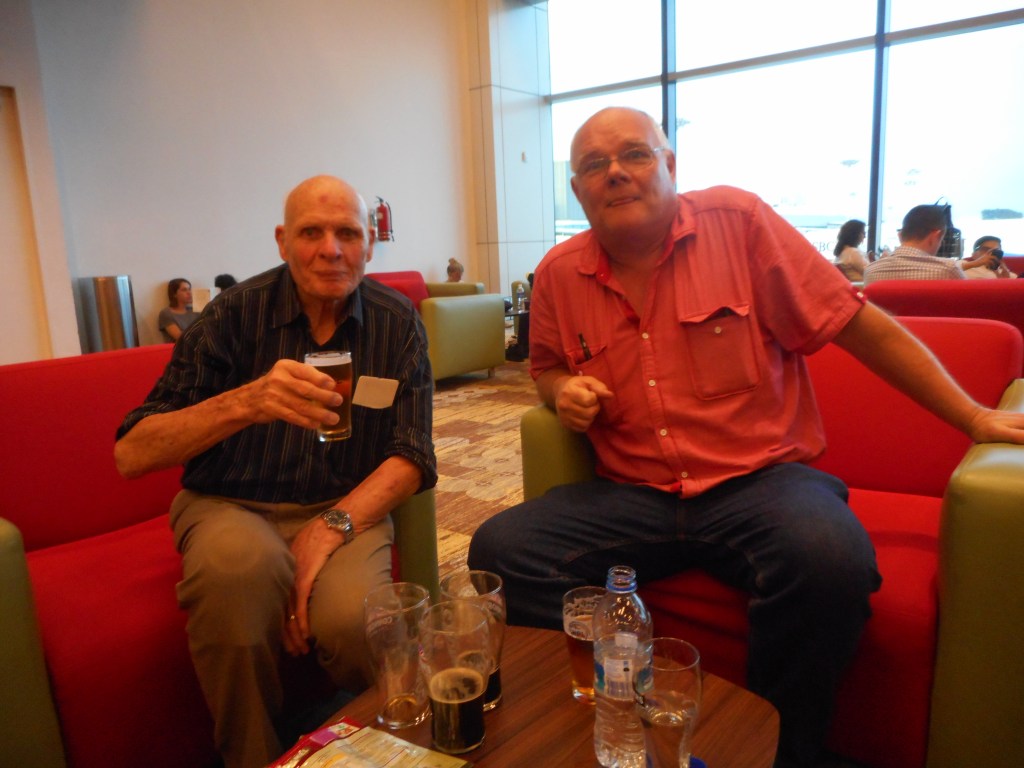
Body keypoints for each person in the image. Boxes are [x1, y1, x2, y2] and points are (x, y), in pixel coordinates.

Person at [467, 107, 1024, 768]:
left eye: (635, 155)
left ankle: (777, 749)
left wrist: (972, 416)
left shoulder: (742, 224)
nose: (614, 172)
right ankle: (624, 715)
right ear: (579, 191)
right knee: (501, 547)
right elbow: (547, 365)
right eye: (593, 165)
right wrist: (561, 392)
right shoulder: (561, 272)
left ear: (671, 166)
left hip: (761, 483)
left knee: (829, 559)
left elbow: (856, 324)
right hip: (634, 494)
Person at [114, 175, 436, 768]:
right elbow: (133, 452)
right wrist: (248, 401)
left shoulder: (397, 323)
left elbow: (413, 454)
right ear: (283, 241)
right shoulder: (232, 316)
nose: (330, 249)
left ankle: (382, 752)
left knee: (361, 625)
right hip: (230, 503)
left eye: (347, 233)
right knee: (239, 577)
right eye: (312, 233)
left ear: (369, 244)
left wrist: (329, 527)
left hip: (344, 508)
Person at [862, 204, 966, 285]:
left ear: (900, 235)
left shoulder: (871, 271)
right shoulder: (948, 270)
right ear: (935, 235)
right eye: (941, 240)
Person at [158, 278, 200, 342]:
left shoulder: (195, 310)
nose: (189, 293)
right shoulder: (166, 313)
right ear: (174, 294)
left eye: (189, 289)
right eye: (184, 290)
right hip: (180, 349)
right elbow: (180, 337)